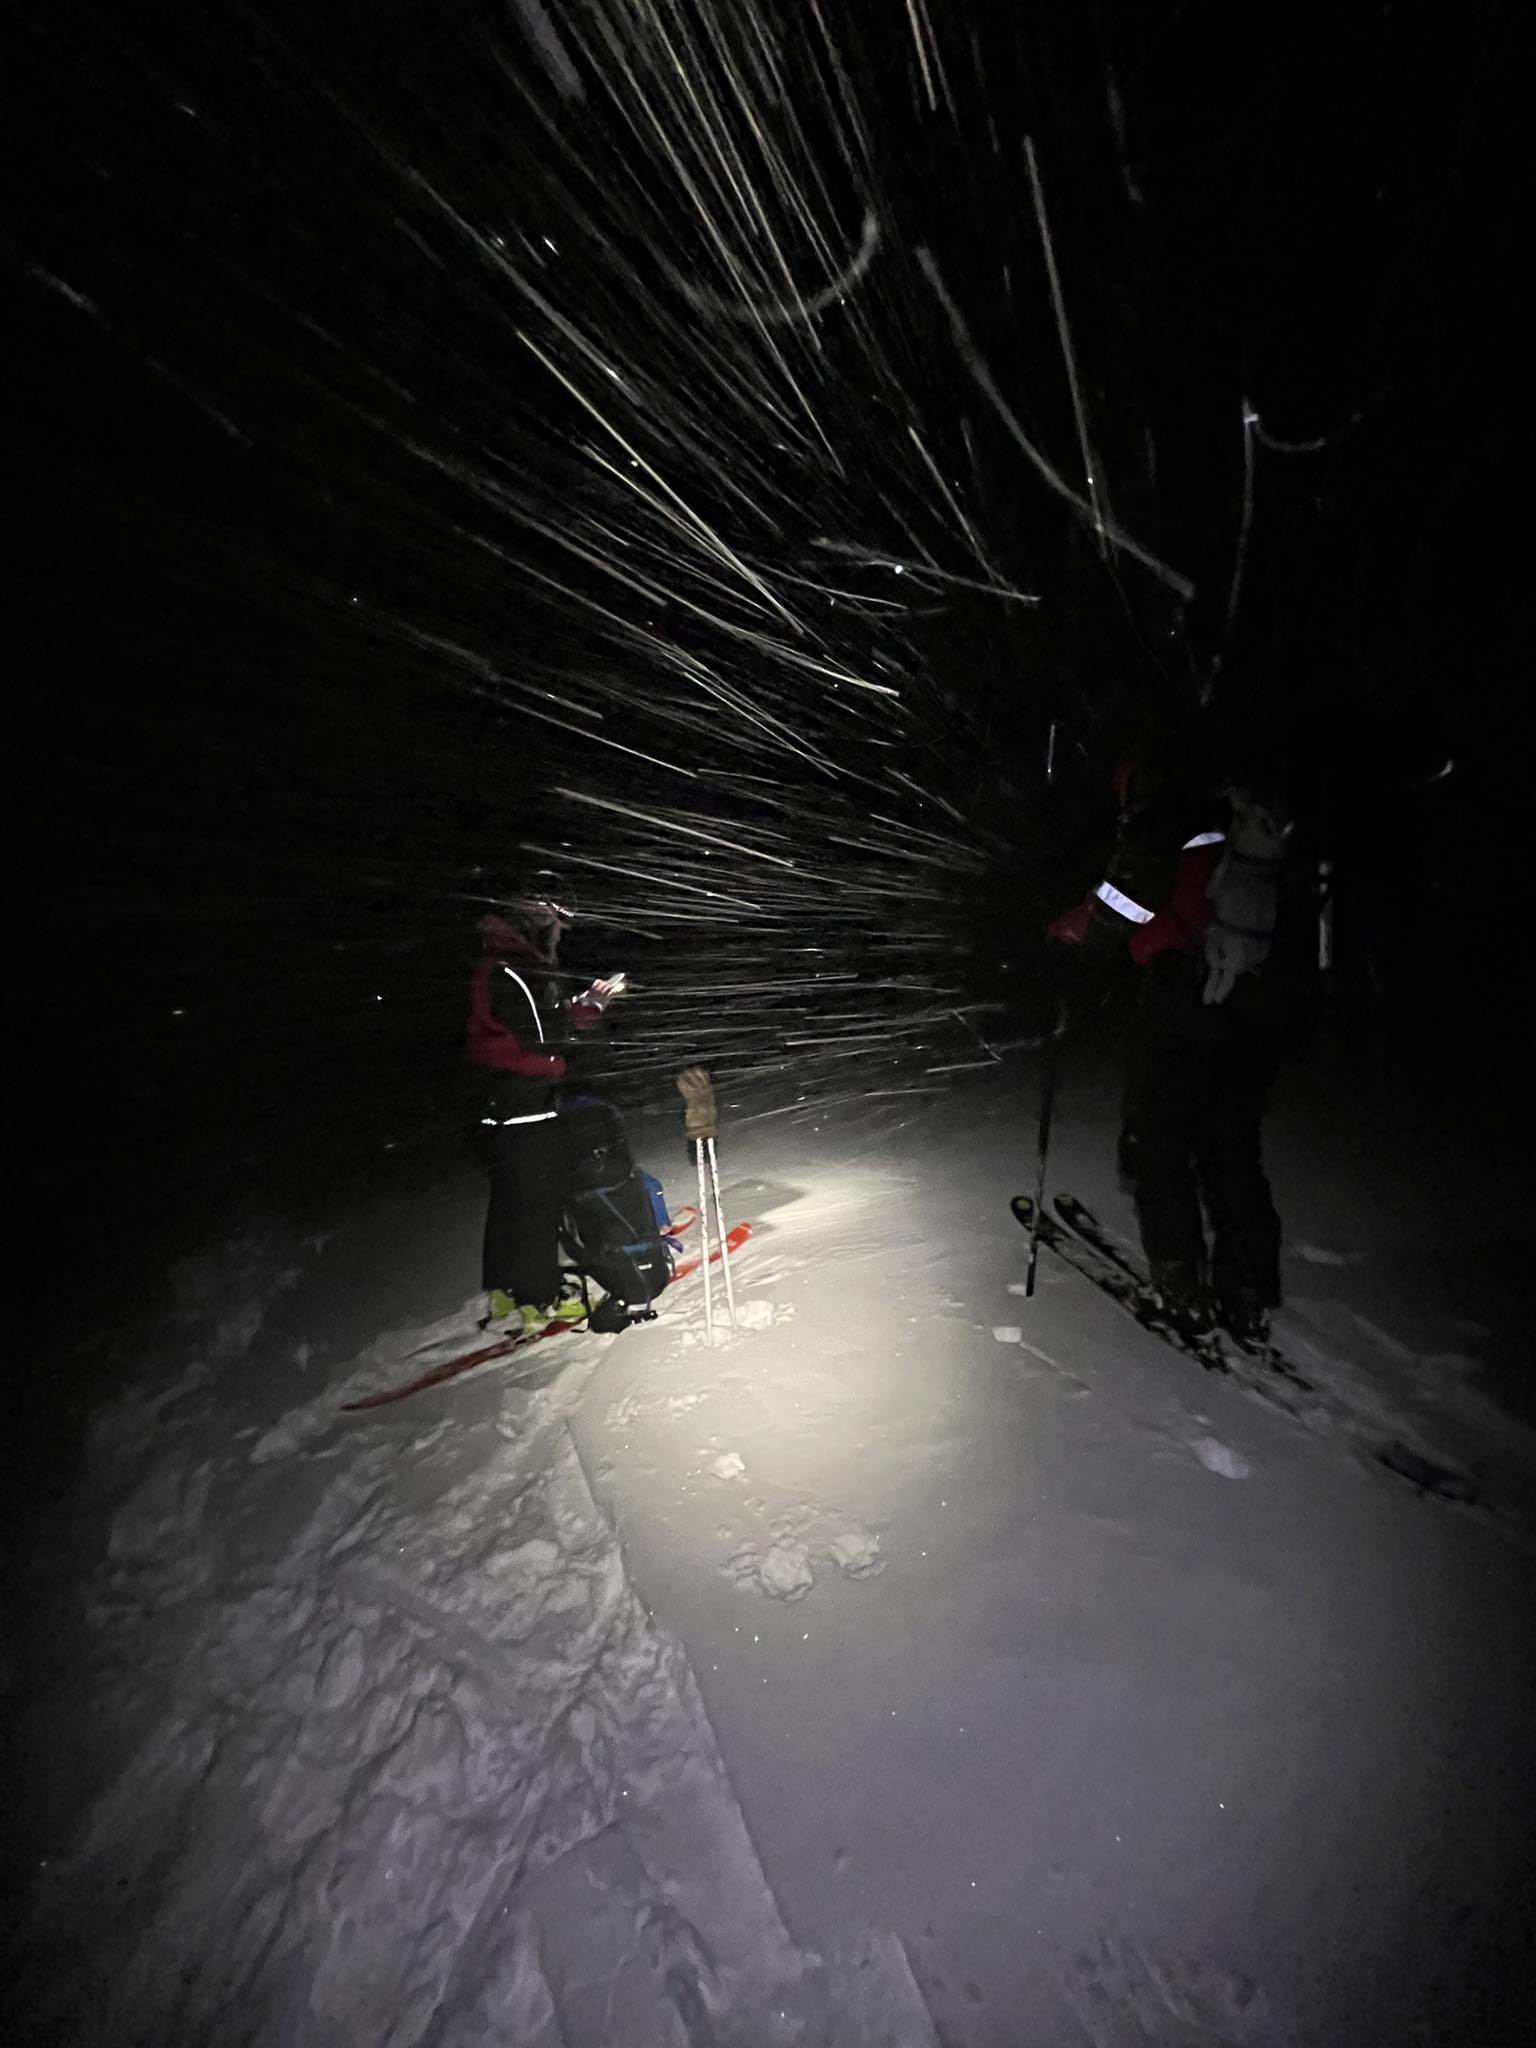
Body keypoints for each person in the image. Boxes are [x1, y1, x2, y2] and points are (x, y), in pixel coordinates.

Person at [1049, 751, 1289, 1341]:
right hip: (1250, 1000)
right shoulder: (1226, 816)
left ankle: (1180, 1281)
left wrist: (1073, 935)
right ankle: (1248, 1286)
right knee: (1232, 1149)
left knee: (1159, 1141)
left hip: (1183, 995)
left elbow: (1128, 897)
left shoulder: (1163, 817)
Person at [466, 870, 622, 1330]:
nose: (563, 931)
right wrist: (587, 1012)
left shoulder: (506, 962)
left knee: (511, 1201)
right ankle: (540, 1299)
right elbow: (542, 1039)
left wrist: (583, 1005)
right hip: (522, 1104)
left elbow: (540, 1021)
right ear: (536, 913)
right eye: (559, 919)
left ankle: (504, 1294)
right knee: (537, 1202)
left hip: (502, 1104)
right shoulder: (514, 967)